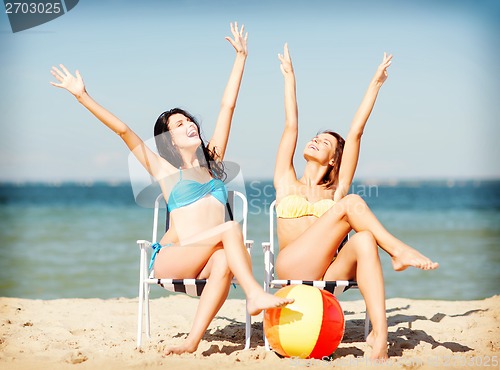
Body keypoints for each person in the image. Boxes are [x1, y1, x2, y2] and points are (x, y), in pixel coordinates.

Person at [50, 23, 293, 356]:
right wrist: (82, 96)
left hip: (207, 257)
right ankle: (253, 294)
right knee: (228, 228)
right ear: (169, 140)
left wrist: (241, 58)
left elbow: (227, 107)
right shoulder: (165, 170)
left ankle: (192, 341)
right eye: (179, 124)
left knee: (225, 258)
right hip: (172, 260)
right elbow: (124, 131)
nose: (189, 124)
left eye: (189, 120)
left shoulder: (212, 163)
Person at [273, 44, 439, 360]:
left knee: (363, 240)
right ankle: (398, 249)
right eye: (315, 137)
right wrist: (289, 77)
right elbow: (291, 124)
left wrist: (376, 83)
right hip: (292, 266)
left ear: (335, 158)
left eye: (323, 141)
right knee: (351, 204)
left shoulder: (336, 191)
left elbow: (356, 131)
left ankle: (380, 338)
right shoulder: (286, 181)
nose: (314, 140)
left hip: (329, 273)